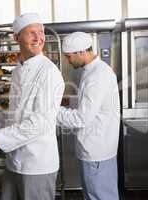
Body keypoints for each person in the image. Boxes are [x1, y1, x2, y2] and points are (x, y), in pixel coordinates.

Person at [0, 13, 64, 200]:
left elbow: (39, 123)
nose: (38, 38)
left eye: (41, 32)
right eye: (31, 33)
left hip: (37, 163)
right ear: (16, 38)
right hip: (14, 161)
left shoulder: (49, 72)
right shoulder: (18, 70)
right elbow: (15, 113)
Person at [57, 31, 120, 200]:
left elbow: (82, 118)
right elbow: (92, 105)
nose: (67, 61)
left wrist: (52, 112)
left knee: (99, 196)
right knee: (95, 195)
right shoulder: (93, 71)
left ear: (81, 52)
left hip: (96, 150)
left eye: (69, 56)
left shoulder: (97, 76)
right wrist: (67, 103)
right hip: (97, 148)